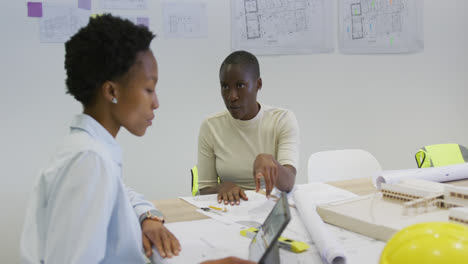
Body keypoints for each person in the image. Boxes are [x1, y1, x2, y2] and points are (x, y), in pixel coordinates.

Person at [197, 50, 299, 205]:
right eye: (225, 86)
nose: (232, 96)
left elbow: (288, 183)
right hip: (230, 208)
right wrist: (222, 187)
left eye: (240, 85)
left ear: (258, 85)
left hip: (271, 206)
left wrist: (273, 163)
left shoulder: (282, 120)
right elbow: (204, 190)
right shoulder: (211, 126)